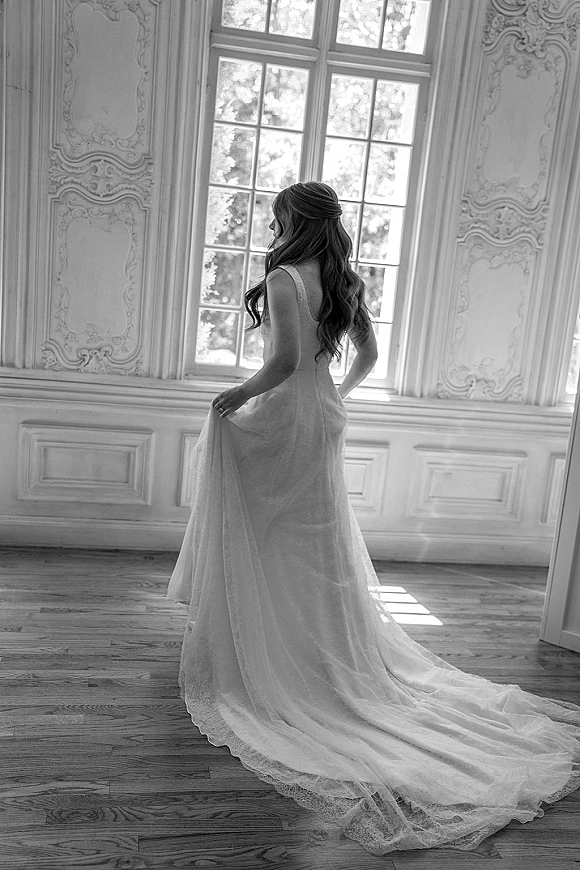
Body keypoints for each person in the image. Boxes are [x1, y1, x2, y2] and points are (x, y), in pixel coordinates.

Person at [166, 181, 580, 855]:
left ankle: (269, 646)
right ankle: (321, 646)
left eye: (277, 217)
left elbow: (284, 362)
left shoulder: (282, 277)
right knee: (317, 542)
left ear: (292, 220)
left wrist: (232, 395)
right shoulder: (340, 279)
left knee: (265, 531)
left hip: (285, 416)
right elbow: (364, 359)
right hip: (323, 417)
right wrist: (332, 399)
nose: (273, 226)